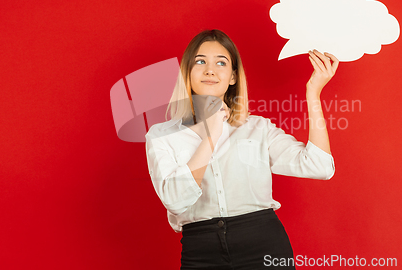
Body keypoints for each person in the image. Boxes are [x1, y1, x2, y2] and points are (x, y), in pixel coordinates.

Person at [145, 29, 339, 269]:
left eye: (221, 63)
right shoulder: (161, 135)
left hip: (263, 244)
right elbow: (175, 201)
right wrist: (212, 134)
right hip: (200, 251)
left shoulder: (258, 128)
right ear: (187, 71)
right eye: (200, 61)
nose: (210, 70)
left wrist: (314, 93)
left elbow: (319, 166)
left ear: (233, 76)